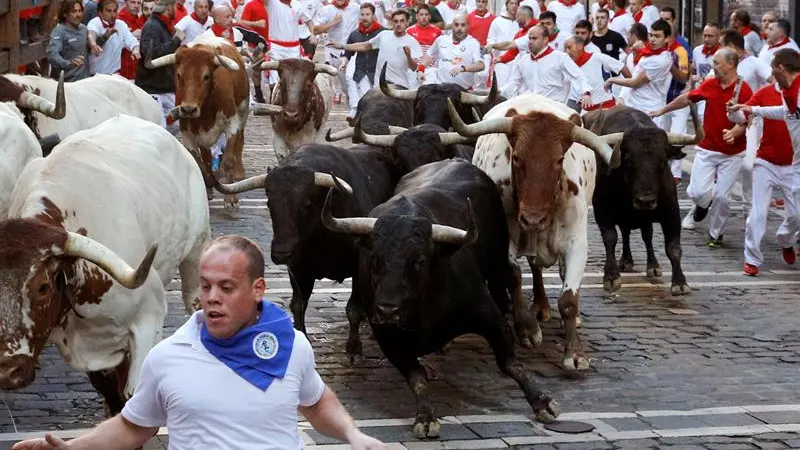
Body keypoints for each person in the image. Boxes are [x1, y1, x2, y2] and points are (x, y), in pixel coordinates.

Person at [11, 235, 388, 450]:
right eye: (205, 285)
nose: (211, 297)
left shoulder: (292, 346)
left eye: (226, 287)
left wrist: (353, 434)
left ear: (258, 289)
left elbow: (316, 400)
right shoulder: (167, 357)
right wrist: (72, 448)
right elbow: (132, 427)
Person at [651, 47, 753, 247]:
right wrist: (663, 109)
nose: (712, 66)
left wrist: (735, 132)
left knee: (723, 197)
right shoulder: (710, 84)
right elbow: (688, 98)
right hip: (707, 148)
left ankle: (716, 234)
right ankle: (703, 204)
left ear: (730, 65)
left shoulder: (744, 89)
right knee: (697, 192)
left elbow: (748, 119)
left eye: (716, 63)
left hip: (732, 153)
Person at [724, 83, 797, 276]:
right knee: (758, 213)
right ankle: (752, 259)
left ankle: (785, 239)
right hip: (765, 162)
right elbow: (743, 116)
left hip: (793, 165)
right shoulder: (764, 92)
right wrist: (733, 112)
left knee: (797, 215)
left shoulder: (797, 94)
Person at [606, 19, 673, 128]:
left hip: (650, 111)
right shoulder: (648, 52)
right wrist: (622, 97)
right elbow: (635, 72)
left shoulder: (661, 60)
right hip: (633, 107)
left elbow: (634, 82)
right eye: (651, 35)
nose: (652, 39)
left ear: (667, 38)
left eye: (657, 36)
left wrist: (611, 80)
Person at [330, 10, 422, 88]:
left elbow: (414, 68)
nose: (398, 24)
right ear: (392, 23)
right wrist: (342, 46)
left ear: (407, 23)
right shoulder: (384, 35)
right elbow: (366, 46)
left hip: (400, 86)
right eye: (396, 21)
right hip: (380, 86)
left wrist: (409, 56)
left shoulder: (412, 41)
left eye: (402, 21)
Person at [505, 23, 591, 103]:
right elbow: (513, 83)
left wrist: (586, 93)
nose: (530, 41)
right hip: (529, 106)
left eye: (534, 38)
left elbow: (578, 76)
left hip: (553, 108)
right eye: (529, 38)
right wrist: (512, 100)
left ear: (545, 40)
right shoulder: (523, 60)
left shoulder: (560, 57)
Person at [136, 0, 185, 135]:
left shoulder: (165, 25)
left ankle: (162, 144)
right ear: (169, 7)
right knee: (159, 128)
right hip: (152, 88)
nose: (176, 9)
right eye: (174, 6)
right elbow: (152, 54)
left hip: (166, 87)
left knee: (180, 121)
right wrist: (176, 41)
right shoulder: (152, 26)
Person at [341, 2, 384, 122]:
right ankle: (355, 111)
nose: (364, 17)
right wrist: (344, 62)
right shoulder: (355, 34)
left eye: (367, 14)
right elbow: (347, 53)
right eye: (362, 14)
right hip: (360, 72)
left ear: (373, 15)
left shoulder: (383, 33)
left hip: (377, 72)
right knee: (352, 81)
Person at [564, 35, 628, 113]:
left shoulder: (597, 58)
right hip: (586, 113)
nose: (567, 51)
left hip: (607, 109)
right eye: (565, 49)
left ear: (580, 46)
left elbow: (622, 67)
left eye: (569, 47)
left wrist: (629, 89)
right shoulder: (569, 68)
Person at [423, 14, 484, 88]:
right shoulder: (441, 40)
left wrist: (463, 68)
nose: (459, 28)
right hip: (442, 88)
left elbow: (481, 65)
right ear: (452, 26)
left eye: (463, 25)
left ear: (468, 26)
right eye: (456, 25)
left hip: (463, 90)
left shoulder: (473, 43)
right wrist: (421, 69)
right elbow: (429, 55)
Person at [87, 0, 141, 75]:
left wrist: (135, 49)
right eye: (108, 11)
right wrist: (93, 43)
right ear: (100, 12)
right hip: (96, 77)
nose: (113, 15)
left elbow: (131, 40)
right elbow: (92, 33)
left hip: (115, 75)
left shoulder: (121, 24)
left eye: (115, 11)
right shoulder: (95, 22)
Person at [48, 0, 92, 81]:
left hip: (85, 81)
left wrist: (104, 37)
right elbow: (53, 55)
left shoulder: (84, 28)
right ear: (65, 14)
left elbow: (89, 48)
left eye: (80, 11)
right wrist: (68, 63)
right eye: (74, 11)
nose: (78, 15)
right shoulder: (59, 31)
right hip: (67, 83)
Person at [406, 5, 442, 84]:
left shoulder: (437, 31)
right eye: (421, 14)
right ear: (416, 16)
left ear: (430, 16)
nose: (424, 17)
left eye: (426, 14)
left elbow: (440, 51)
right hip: (414, 69)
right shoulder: (409, 31)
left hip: (431, 70)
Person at [117, 0, 145, 79]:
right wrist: (130, 36)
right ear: (126, 3)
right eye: (133, 2)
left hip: (136, 71)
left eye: (139, 3)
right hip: (121, 72)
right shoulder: (118, 21)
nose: (136, 6)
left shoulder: (141, 21)